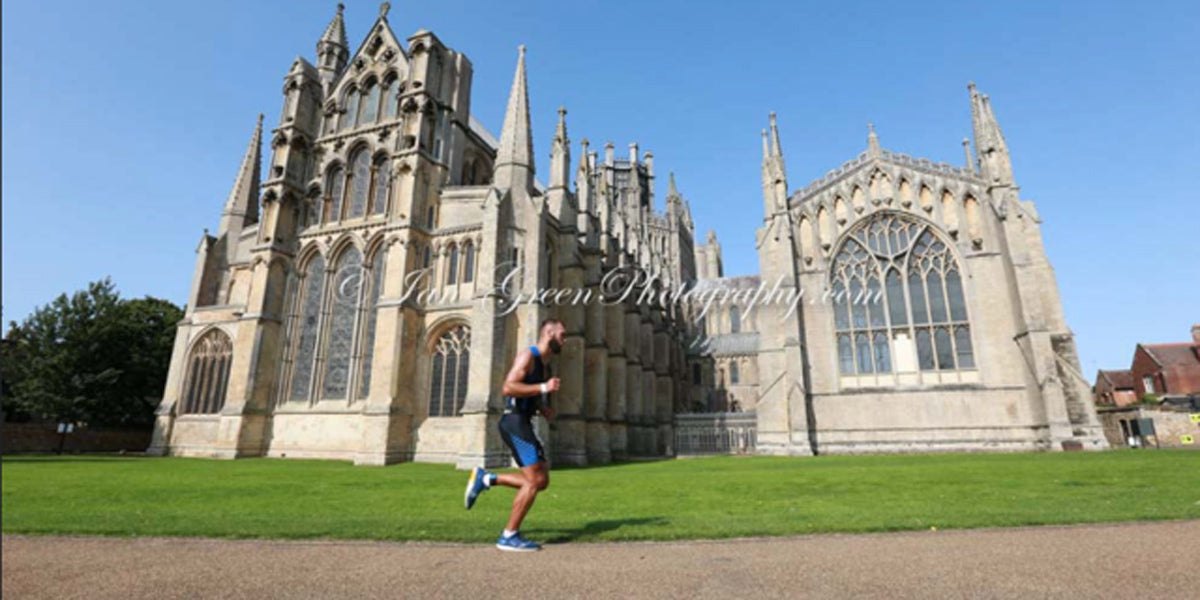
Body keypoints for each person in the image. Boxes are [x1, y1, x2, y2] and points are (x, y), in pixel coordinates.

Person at [464, 318, 564, 551]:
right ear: (548, 333)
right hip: (514, 422)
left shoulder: (544, 365)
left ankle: (487, 479)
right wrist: (543, 388)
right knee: (535, 480)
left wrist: (541, 407)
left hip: (522, 422)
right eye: (562, 335)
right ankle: (509, 535)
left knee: (541, 480)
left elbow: (528, 393)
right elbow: (508, 387)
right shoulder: (527, 356)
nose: (564, 340)